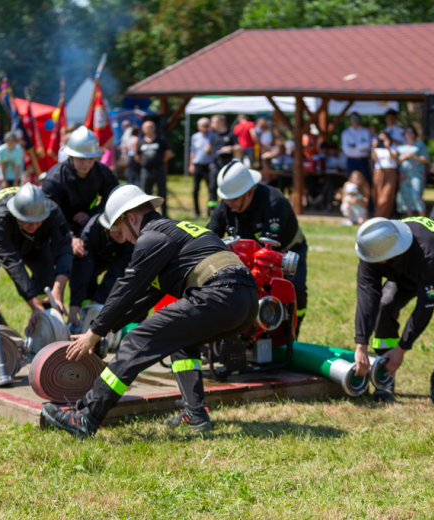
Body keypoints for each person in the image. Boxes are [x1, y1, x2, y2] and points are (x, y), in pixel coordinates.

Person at [39, 184, 259, 438]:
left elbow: (127, 288)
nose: (126, 239)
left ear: (131, 218)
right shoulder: (173, 232)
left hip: (219, 293)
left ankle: (87, 417)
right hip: (246, 300)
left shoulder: (151, 237)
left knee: (137, 340)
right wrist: (107, 328)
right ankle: (195, 413)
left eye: (121, 230)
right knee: (180, 342)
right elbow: (141, 299)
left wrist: (94, 332)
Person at [353, 216, 434, 405]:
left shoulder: (428, 252)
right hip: (409, 271)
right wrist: (361, 344)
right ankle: (385, 371)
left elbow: (425, 305)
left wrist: (402, 348)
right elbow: (368, 298)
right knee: (385, 305)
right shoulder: (373, 250)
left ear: (391, 252)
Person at [208, 160, 308, 333]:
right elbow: (209, 236)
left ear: (250, 192)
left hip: (283, 253)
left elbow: (269, 252)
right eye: (226, 199)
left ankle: (291, 332)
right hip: (246, 257)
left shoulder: (274, 203)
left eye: (234, 199)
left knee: (293, 290)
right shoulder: (226, 205)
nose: (229, 204)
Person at [0, 184, 72, 326]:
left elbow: (64, 248)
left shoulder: (52, 210)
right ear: (16, 214)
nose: (33, 225)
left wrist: (57, 289)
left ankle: (46, 325)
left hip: (34, 244)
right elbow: (14, 265)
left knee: (46, 276)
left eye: (38, 221)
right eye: (28, 221)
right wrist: (34, 305)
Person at [41, 125, 118, 257]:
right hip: (58, 228)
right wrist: (69, 236)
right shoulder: (54, 179)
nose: (86, 164)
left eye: (90, 159)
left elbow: (114, 197)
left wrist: (92, 214)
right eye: (81, 159)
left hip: (90, 225)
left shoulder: (103, 173)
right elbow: (50, 213)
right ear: (70, 156)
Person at [68, 212, 134, 327]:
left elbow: (117, 272)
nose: (121, 233)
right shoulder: (89, 232)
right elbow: (82, 271)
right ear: (106, 227)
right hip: (93, 255)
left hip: (116, 256)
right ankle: (83, 313)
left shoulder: (131, 239)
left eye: (124, 228)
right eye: (116, 228)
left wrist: (98, 302)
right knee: (88, 280)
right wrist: (74, 306)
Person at [136, 120, 171, 218]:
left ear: (154, 128)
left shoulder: (161, 139)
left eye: (151, 127)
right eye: (146, 127)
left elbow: (168, 153)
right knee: (146, 195)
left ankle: (164, 215)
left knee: (162, 193)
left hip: (159, 170)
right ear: (143, 129)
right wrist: (146, 164)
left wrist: (159, 162)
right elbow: (137, 157)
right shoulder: (140, 142)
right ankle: (148, 215)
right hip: (146, 172)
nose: (149, 129)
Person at [396, 126, 429, 217]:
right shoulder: (400, 147)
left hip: (417, 174)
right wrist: (402, 157)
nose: (409, 134)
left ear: (415, 134)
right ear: (404, 134)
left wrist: (413, 157)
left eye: (411, 132)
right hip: (404, 175)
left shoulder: (420, 145)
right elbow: (396, 162)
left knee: (416, 195)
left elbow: (426, 159)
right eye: (407, 132)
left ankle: (422, 218)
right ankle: (409, 218)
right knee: (405, 195)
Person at [189, 117, 215, 218]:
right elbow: (192, 151)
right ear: (199, 127)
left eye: (207, 125)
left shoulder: (213, 136)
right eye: (203, 125)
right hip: (198, 165)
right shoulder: (195, 137)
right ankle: (196, 212)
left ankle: (210, 211)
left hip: (209, 166)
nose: (205, 128)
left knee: (211, 189)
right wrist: (191, 165)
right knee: (195, 189)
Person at [370, 131, 398, 218]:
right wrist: (373, 148)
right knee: (377, 194)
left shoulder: (393, 147)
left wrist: (388, 147)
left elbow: (393, 157)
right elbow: (375, 159)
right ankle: (379, 214)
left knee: (387, 194)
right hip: (378, 171)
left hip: (390, 171)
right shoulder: (376, 148)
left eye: (384, 138)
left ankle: (379, 216)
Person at [341, 112, 372, 188]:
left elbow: (368, 145)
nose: (355, 120)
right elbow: (346, 150)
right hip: (352, 161)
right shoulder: (345, 133)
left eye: (356, 118)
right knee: (352, 182)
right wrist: (361, 146)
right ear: (350, 120)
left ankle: (368, 199)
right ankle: (352, 199)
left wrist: (354, 145)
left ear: (359, 119)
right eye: (353, 118)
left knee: (366, 182)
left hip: (363, 160)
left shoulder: (365, 131)